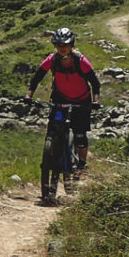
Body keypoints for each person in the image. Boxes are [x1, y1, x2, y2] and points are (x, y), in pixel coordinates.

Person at [26, 27, 101, 174]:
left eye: (65, 45)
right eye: (59, 45)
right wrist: (29, 95)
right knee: (54, 127)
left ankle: (82, 164)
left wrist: (95, 101)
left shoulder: (81, 61)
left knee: (79, 134)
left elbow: (95, 83)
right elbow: (37, 77)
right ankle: (51, 156)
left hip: (81, 100)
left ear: (71, 45)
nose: (62, 48)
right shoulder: (52, 60)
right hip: (60, 98)